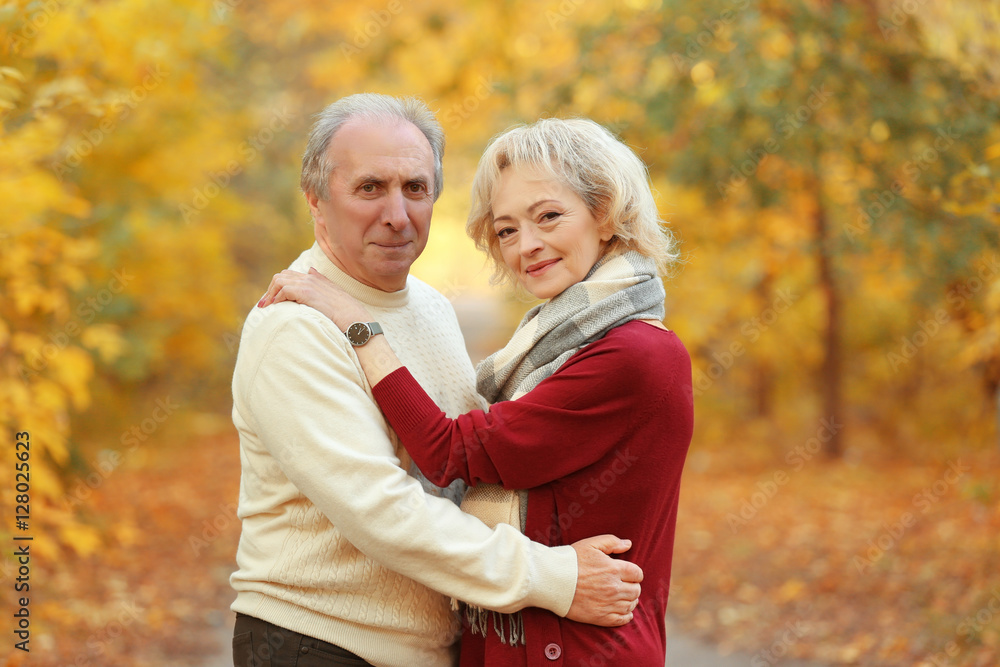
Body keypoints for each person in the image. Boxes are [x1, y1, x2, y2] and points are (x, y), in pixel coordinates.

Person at [260, 117, 694, 666]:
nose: (527, 246)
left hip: (581, 649)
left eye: (549, 217)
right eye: (508, 230)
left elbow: (451, 452)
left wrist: (358, 324)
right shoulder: (560, 345)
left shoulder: (635, 356)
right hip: (516, 642)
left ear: (604, 213)